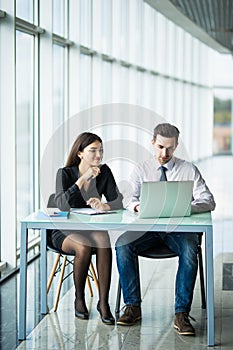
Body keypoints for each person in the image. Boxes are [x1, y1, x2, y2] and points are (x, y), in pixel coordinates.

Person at [115, 123, 216, 335]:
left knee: (190, 251)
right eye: (160, 147)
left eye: (170, 148)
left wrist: (186, 207)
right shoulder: (141, 169)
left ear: (176, 145)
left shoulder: (188, 169)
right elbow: (127, 199)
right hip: (148, 230)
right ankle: (133, 306)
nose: (164, 153)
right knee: (122, 243)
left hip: (179, 231)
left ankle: (181, 314)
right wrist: (137, 206)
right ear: (152, 143)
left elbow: (208, 200)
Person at [51, 132, 123, 325]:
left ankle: (104, 303)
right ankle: (79, 298)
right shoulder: (64, 173)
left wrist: (104, 206)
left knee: (103, 239)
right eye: (93, 151)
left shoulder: (104, 172)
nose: (98, 156)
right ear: (80, 153)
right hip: (65, 231)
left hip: (91, 227)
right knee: (83, 246)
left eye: (101, 150)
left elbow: (118, 201)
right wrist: (83, 179)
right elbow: (62, 205)